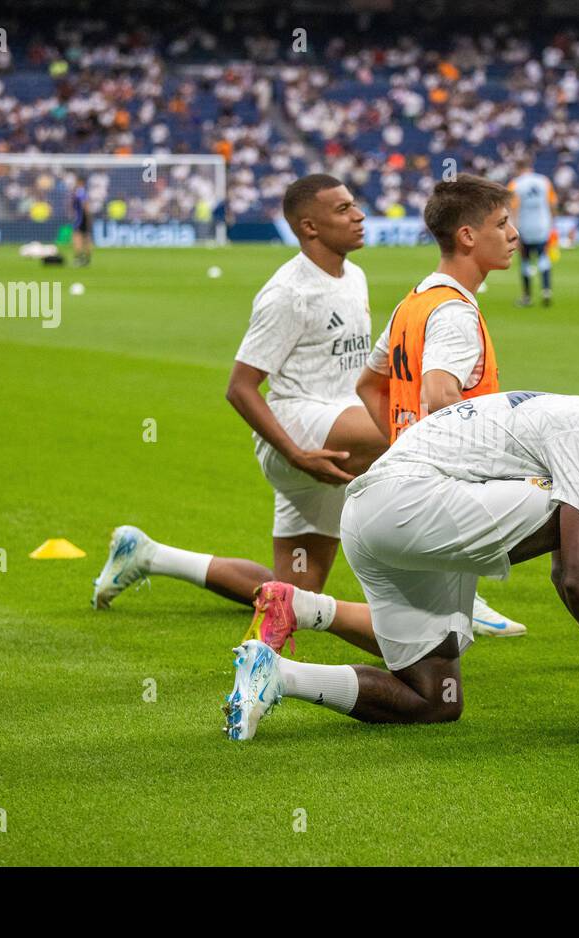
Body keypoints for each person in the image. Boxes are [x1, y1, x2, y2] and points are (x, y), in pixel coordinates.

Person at [222, 369, 579, 741]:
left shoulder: (576, 419)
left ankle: (277, 675)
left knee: (432, 696)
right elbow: (575, 575)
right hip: (408, 505)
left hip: (374, 520)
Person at [90, 174, 388, 657]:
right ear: (309, 227)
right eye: (344, 209)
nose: (358, 215)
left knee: (292, 595)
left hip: (333, 436)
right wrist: (294, 455)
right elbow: (240, 387)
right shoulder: (288, 293)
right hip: (298, 428)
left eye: (355, 205)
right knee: (413, 433)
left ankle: (149, 555)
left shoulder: (354, 277)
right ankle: (451, 588)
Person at [254, 174, 530, 645]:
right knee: (568, 502)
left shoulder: (409, 299)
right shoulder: (451, 312)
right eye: (502, 223)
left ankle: (272, 630)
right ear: (467, 236)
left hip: (363, 461)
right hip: (334, 448)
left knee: (426, 648)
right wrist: (477, 469)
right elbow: (441, 396)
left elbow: (368, 380)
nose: (514, 233)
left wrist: (404, 441)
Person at [508, 158, 558, 307]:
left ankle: (527, 297)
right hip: (543, 225)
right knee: (543, 257)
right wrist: (553, 223)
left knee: (525, 260)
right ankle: (546, 290)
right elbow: (553, 203)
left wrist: (513, 231)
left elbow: (513, 209)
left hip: (525, 226)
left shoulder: (515, 184)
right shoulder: (544, 181)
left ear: (518, 168)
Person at [71, 176, 92, 267]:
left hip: (81, 218)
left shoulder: (80, 192)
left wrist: (87, 217)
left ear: (80, 182)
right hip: (83, 217)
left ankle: (78, 257)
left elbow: (85, 205)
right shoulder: (82, 192)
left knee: (77, 236)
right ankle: (87, 258)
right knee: (86, 237)